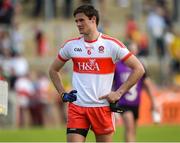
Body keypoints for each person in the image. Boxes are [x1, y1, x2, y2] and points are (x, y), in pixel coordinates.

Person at [49, 5, 145, 142]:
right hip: (77, 107)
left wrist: (118, 93)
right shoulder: (71, 46)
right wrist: (62, 93)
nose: (78, 24)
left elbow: (139, 69)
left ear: (93, 19)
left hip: (102, 108)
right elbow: (53, 70)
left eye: (81, 20)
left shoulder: (112, 45)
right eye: (76, 21)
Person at [112, 44, 158, 142]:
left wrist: (154, 101)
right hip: (123, 103)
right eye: (131, 50)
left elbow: (147, 84)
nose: (133, 52)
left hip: (136, 103)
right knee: (129, 126)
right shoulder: (117, 65)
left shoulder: (139, 66)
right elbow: (110, 83)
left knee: (132, 130)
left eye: (135, 50)